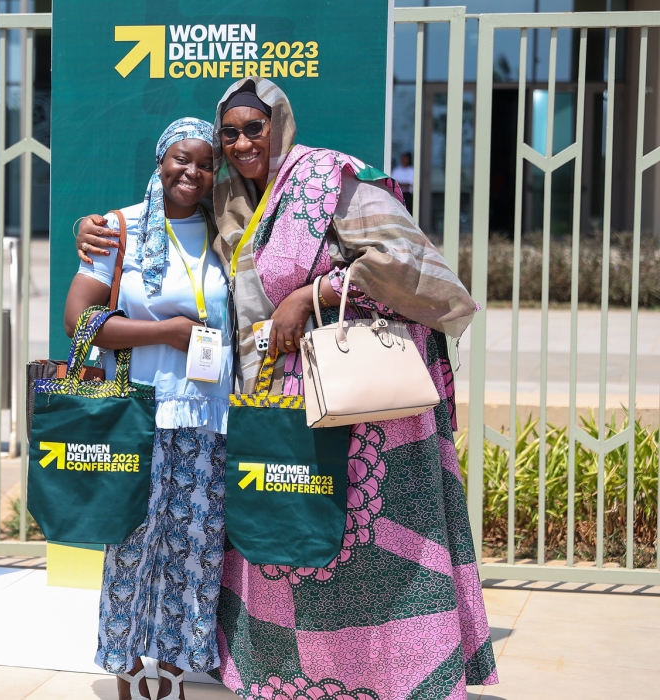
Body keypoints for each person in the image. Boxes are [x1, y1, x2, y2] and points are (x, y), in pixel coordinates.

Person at [77, 78, 498, 698]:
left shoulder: (334, 178)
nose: (244, 141)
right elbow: (155, 218)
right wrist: (93, 229)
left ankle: (395, 672)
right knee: (287, 543)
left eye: (255, 127)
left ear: (280, 123)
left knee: (365, 544)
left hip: (355, 408)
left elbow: (410, 261)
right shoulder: (229, 200)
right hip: (272, 402)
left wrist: (314, 293)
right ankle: (286, 675)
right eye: (231, 133)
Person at [65, 118, 230, 700]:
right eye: (181, 160)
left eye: (205, 164)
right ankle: (128, 664)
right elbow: (80, 322)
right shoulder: (118, 229)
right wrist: (168, 334)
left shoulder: (227, 231)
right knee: (133, 545)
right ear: (160, 161)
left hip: (208, 420)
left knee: (195, 551)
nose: (192, 172)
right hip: (141, 416)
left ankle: (180, 668)